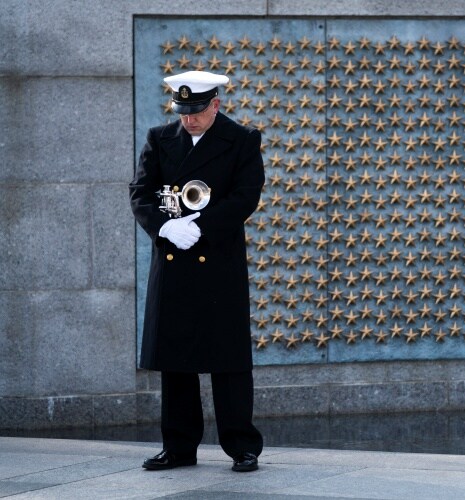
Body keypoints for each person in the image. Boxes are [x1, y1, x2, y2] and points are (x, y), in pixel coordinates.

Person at [129, 70, 265, 472]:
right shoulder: (160, 137)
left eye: (197, 111)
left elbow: (245, 196)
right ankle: (178, 446)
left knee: (228, 359)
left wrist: (200, 227)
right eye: (182, 110)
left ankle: (242, 445)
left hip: (217, 260)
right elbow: (140, 191)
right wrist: (165, 226)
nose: (189, 119)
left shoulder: (241, 140)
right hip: (173, 258)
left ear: (216, 104)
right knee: (176, 359)